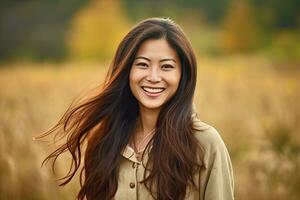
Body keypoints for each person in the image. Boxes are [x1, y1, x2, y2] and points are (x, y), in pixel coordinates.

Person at [40, 17, 234, 200]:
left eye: (166, 67)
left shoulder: (205, 144)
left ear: (183, 75)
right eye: (142, 64)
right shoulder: (103, 142)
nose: (153, 77)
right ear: (126, 70)